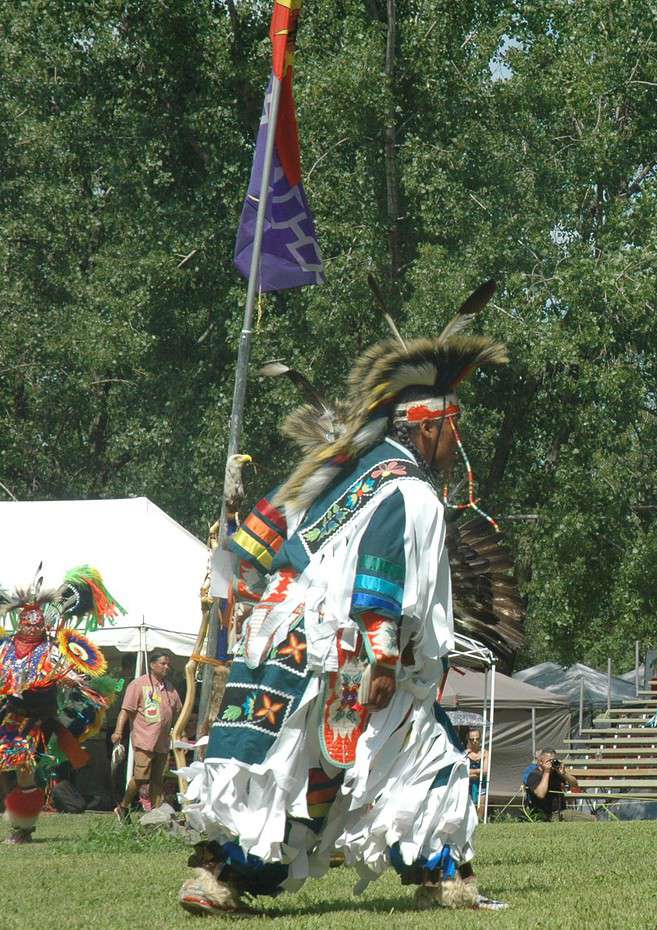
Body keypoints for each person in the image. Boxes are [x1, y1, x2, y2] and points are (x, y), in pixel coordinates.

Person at [177, 285, 510, 914]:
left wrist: (240, 588)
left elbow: (259, 537)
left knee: (287, 765)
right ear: (429, 424)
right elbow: (378, 571)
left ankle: (216, 874)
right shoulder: (406, 489)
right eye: (454, 424)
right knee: (423, 752)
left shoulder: (342, 466)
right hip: (345, 647)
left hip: (283, 636)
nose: (457, 439)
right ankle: (442, 877)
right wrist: (383, 658)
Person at [0, 568, 121, 843]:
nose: (31, 627)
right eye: (26, 623)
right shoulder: (6, 647)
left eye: (36, 623)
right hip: (9, 717)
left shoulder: (52, 649)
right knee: (10, 770)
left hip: (37, 720)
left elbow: (67, 673)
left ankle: (23, 828)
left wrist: (73, 679)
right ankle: (18, 818)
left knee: (24, 771)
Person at [112, 649, 183, 821]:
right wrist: (118, 731)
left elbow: (178, 712)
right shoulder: (138, 685)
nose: (166, 667)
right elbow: (125, 711)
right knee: (141, 777)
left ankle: (156, 815)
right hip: (144, 739)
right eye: (163, 663)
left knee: (158, 780)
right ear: (152, 665)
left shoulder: (170, 687)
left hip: (162, 742)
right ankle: (123, 806)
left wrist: (182, 734)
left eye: (168, 664)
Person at [523, 748, 577, 821]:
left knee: (592, 819)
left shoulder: (556, 772)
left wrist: (564, 774)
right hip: (543, 814)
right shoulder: (534, 775)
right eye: (549, 761)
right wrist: (546, 772)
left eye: (553, 760)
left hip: (560, 811)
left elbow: (574, 784)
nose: (552, 764)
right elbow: (541, 794)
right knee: (590, 819)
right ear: (540, 762)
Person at [465, 728, 487, 808]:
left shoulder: (485, 753)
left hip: (481, 785)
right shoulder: (465, 754)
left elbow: (485, 772)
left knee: (480, 811)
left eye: (477, 739)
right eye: (472, 739)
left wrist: (470, 772)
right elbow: (464, 772)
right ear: (468, 740)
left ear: (480, 739)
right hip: (467, 785)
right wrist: (478, 771)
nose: (474, 741)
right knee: (468, 809)